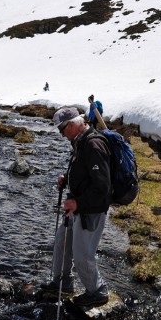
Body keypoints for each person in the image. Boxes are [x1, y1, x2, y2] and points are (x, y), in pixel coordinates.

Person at [41, 107, 112, 307]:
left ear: (71, 124)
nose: (61, 134)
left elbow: (103, 187)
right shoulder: (80, 141)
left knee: (82, 254)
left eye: (62, 130)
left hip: (91, 210)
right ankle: (63, 283)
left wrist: (78, 202)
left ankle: (97, 292)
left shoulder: (94, 145)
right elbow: (84, 172)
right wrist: (68, 179)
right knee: (62, 242)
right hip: (78, 208)